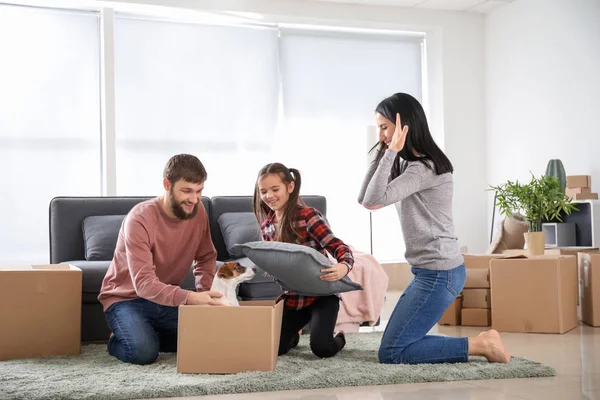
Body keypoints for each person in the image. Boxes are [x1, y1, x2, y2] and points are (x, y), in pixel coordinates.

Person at [358, 93, 510, 365]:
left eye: (384, 127)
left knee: (393, 352)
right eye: (378, 128)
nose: (380, 134)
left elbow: (373, 200)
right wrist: (383, 150)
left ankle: (480, 344)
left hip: (440, 274)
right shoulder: (407, 164)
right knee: (397, 344)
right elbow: (364, 197)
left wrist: (390, 151)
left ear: (404, 127)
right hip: (428, 272)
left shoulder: (424, 168)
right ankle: (480, 342)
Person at [98, 154, 225, 365]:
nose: (193, 199)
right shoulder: (139, 219)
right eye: (186, 191)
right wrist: (191, 298)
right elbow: (144, 285)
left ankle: (148, 332)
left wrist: (204, 295)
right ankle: (117, 340)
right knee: (143, 353)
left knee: (208, 338)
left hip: (165, 299)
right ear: (167, 184)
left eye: (199, 191)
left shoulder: (197, 210)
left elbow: (206, 256)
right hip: (126, 300)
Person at [253, 162, 354, 358]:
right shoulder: (267, 227)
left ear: (290, 187)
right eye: (263, 191)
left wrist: (344, 266)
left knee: (322, 348)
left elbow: (339, 247)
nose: (268, 196)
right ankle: (293, 335)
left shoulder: (309, 216)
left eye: (275, 189)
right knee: (274, 349)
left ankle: (340, 337)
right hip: (294, 298)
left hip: (322, 296)